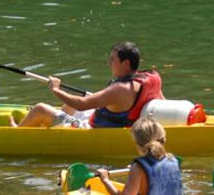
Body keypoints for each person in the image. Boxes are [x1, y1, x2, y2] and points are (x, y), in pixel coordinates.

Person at [13, 41, 163, 129]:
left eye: (112, 60)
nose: (109, 63)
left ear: (126, 63)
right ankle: (54, 127)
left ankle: (17, 134)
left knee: (40, 108)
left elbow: (81, 105)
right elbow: (161, 101)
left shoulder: (119, 89)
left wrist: (56, 89)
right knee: (72, 99)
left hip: (92, 129)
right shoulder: (152, 77)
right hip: (116, 121)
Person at [94, 118, 182, 195]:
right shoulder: (174, 160)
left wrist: (105, 180)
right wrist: (135, 171)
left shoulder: (138, 167)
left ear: (137, 143)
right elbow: (158, 176)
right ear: (163, 138)